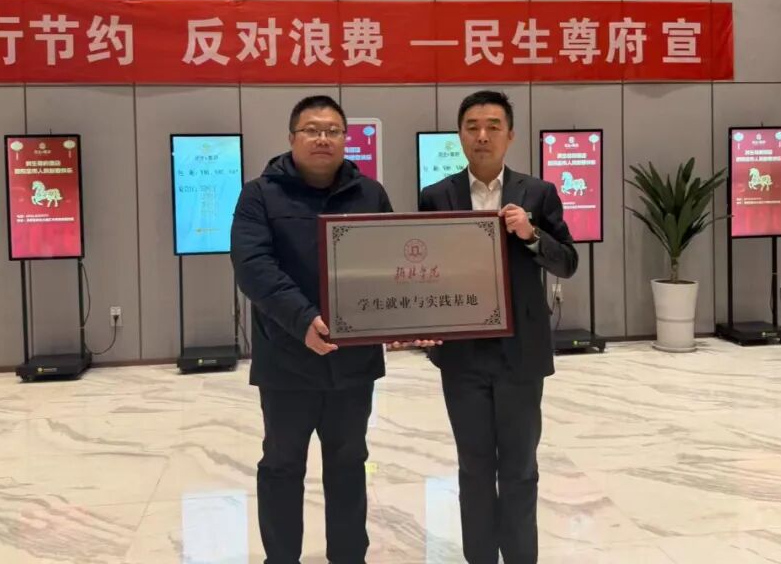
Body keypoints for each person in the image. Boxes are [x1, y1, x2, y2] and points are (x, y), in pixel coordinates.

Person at [231, 95, 393, 564]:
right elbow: (253, 267)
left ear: (346, 139)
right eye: (312, 130)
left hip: (354, 361)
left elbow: (391, 263)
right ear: (292, 138)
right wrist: (303, 320)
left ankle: (350, 555)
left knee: (349, 463)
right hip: (286, 359)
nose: (323, 138)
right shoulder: (260, 194)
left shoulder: (370, 195)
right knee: (282, 465)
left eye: (332, 131)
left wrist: (405, 319)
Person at [418, 90, 578, 564]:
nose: (482, 136)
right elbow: (423, 272)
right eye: (472, 127)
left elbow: (568, 262)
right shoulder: (436, 196)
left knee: (520, 467)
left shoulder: (538, 193)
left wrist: (532, 234)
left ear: (511, 135)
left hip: (521, 352)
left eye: (493, 126)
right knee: (473, 467)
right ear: (460, 136)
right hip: (462, 353)